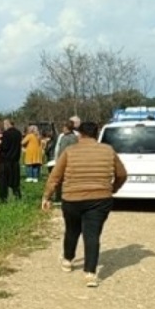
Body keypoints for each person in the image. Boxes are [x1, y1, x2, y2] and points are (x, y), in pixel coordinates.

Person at [42, 121, 128, 288]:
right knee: (92, 234)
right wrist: (113, 188)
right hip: (100, 198)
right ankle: (90, 273)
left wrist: (47, 197)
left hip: (72, 198)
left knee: (72, 230)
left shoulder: (70, 151)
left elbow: (55, 176)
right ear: (97, 134)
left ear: (80, 135)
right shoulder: (108, 150)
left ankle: (68, 260)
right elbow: (122, 174)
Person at [0, 119, 23, 202]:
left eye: (4, 124)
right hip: (15, 160)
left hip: (5, 161)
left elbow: (5, 147)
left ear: (7, 124)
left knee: (3, 182)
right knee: (15, 181)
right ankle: (17, 196)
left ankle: (3, 198)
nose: (4, 126)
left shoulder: (6, 134)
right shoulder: (18, 133)